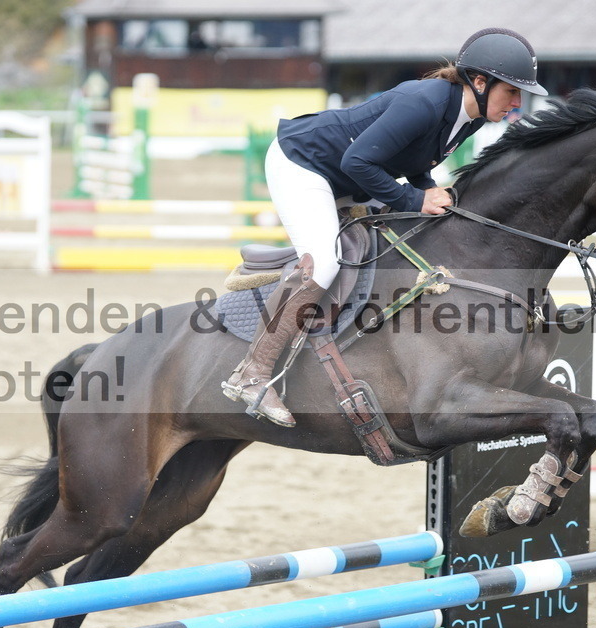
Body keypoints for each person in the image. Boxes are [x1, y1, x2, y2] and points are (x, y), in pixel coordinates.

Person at [222, 28, 548, 428]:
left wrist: (428, 190)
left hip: (348, 176)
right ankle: (252, 371)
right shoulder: (423, 101)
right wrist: (415, 199)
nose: (517, 102)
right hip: (303, 164)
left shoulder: (471, 117)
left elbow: (413, 159)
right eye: (511, 91)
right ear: (479, 82)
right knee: (324, 262)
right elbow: (357, 162)